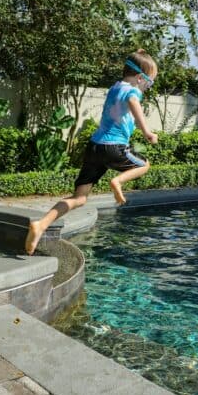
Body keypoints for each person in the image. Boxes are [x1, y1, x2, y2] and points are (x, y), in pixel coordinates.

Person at [25, 49, 159, 255]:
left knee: (79, 198)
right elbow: (133, 102)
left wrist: (139, 54)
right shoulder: (133, 91)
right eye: (149, 83)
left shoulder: (115, 87)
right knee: (145, 164)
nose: (147, 87)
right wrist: (147, 132)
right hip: (113, 146)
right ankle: (118, 182)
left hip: (94, 146)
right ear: (140, 78)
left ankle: (41, 225)